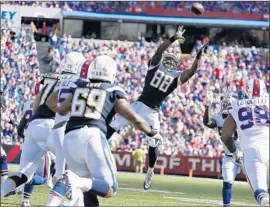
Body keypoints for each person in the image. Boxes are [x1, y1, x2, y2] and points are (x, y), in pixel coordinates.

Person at [109, 26, 208, 190]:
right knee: (115, 126)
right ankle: (99, 146)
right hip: (143, 107)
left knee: (152, 140)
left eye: (170, 60)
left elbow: (188, 70)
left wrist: (182, 45)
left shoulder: (169, 72)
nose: (168, 61)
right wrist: (193, 53)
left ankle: (150, 171)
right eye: (168, 59)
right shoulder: (163, 69)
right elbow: (188, 69)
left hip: (148, 110)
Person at [57, 55, 159, 205]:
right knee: (111, 187)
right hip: (92, 136)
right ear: (111, 72)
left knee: (88, 188)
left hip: (69, 137)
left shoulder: (79, 86)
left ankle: (74, 186)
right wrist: (151, 131)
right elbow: (134, 118)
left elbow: (61, 110)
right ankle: (74, 181)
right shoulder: (113, 89)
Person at [0, 52, 83, 198]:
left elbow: (37, 102)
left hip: (34, 125)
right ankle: (62, 201)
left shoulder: (48, 77)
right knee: (71, 170)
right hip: (54, 127)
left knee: (23, 174)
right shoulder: (79, 81)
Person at [221, 79, 269, 207]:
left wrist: (235, 152)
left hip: (252, 150)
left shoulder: (237, 105)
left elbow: (225, 135)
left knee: (261, 193)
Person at [46, 52, 86, 206]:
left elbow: (49, 101)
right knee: (70, 174)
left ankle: (69, 201)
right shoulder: (80, 81)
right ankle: (59, 204)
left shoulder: (58, 79)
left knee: (64, 173)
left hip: (55, 128)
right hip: (66, 131)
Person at [203, 90, 241, 207]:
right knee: (227, 182)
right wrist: (207, 107)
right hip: (230, 157)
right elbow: (208, 122)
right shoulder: (219, 118)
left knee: (258, 181)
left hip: (245, 154)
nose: (226, 108)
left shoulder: (240, 116)